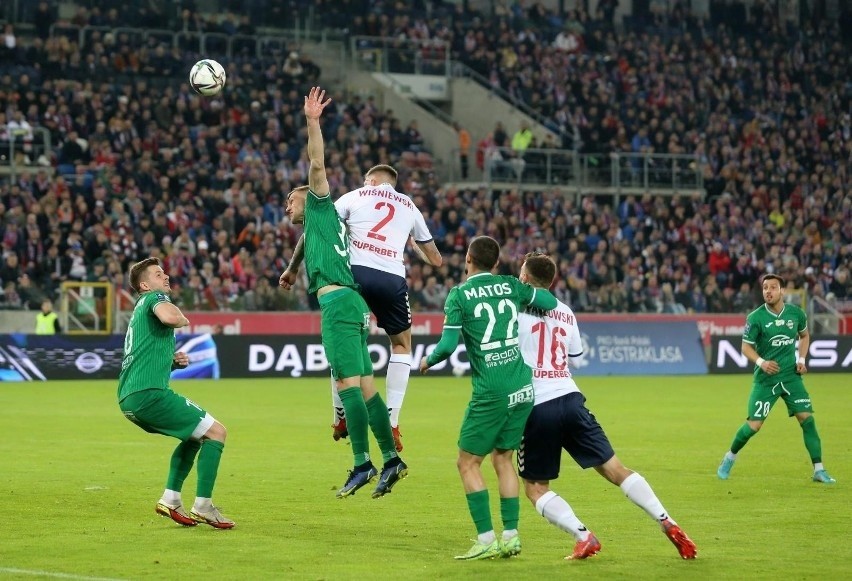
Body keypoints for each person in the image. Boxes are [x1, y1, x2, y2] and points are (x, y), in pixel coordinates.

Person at [516, 252, 697, 560]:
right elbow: (575, 355)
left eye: (521, 274)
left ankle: (583, 536)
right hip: (571, 398)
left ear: (526, 280)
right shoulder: (565, 311)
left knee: (535, 487)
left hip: (537, 405)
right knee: (615, 469)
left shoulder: (514, 307)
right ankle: (667, 521)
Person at [282, 86, 407, 499]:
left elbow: (316, 162)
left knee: (346, 385)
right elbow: (302, 245)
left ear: (309, 196)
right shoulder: (324, 225)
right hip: (352, 303)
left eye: (291, 198)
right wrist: (291, 267)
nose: (287, 205)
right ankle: (391, 460)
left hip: (338, 304)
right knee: (366, 387)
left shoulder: (320, 204)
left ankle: (361, 463)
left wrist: (312, 121)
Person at [281, 163, 442, 452]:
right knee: (402, 345)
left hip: (352, 275)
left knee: (343, 341)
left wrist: (293, 269)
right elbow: (435, 260)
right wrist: (411, 245)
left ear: (371, 180)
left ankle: (338, 414)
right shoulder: (409, 205)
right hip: (391, 277)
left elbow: (316, 228)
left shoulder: (355, 196)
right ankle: (391, 420)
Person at [419, 236, 557, 560]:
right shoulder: (510, 285)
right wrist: (528, 296)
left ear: (468, 259)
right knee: (503, 459)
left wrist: (427, 361)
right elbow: (549, 303)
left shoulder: (459, 295)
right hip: (522, 385)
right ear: (496, 264)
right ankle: (510, 536)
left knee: (467, 462)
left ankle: (485, 538)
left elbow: (448, 346)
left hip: (491, 390)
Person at [118, 257, 234, 529]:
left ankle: (170, 499)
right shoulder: (153, 298)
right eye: (159, 274)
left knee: (195, 437)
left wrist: (171, 361)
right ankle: (203, 506)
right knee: (217, 432)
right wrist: (182, 317)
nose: (166, 277)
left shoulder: (138, 310)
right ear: (145, 285)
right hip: (149, 394)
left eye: (165, 272)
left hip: (130, 398)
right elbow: (171, 317)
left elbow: (140, 355)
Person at [716, 274, 836, 484]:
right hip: (766, 379)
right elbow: (745, 347)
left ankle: (819, 469)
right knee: (754, 426)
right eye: (765, 288)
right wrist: (761, 362)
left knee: (807, 420)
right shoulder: (755, 318)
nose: (768, 291)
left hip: (791, 377)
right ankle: (729, 457)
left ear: (782, 291)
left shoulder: (796, 314)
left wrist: (801, 358)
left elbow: (804, 335)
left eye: (772, 287)